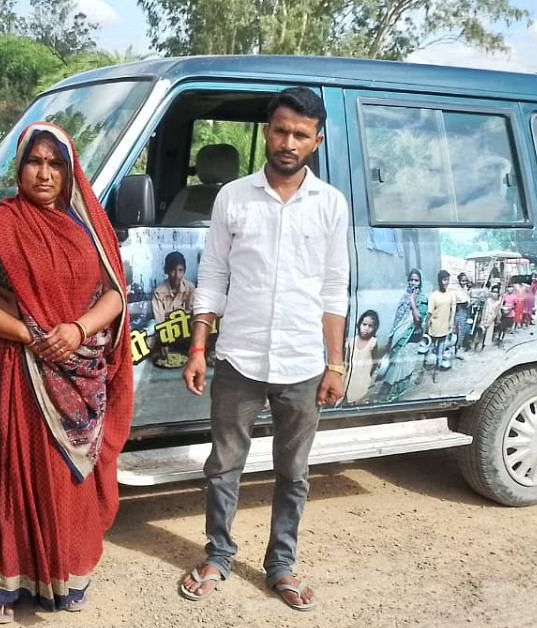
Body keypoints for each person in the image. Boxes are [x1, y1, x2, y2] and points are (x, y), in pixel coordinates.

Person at [177, 87, 349, 612]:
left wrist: (335, 361)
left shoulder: (330, 204)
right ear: (267, 131)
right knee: (223, 465)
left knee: (293, 474)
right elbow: (212, 276)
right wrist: (199, 347)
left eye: (300, 134)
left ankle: (282, 566)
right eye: (280, 130)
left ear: (316, 141)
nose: (288, 142)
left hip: (302, 362)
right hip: (239, 359)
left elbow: (334, 286)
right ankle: (218, 556)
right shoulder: (233, 196)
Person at [0, 122, 133, 624]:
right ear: (19, 166)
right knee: (15, 469)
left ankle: (64, 575)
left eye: (55, 163)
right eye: (34, 161)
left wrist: (77, 331)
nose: (44, 172)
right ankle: (6, 585)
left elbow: (114, 294)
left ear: (70, 169)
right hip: (16, 365)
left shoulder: (87, 228)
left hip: (75, 368)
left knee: (63, 476)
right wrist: (29, 334)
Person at [380, 269, 428, 401]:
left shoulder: (423, 298)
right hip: (398, 335)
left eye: (416, 280)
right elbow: (398, 317)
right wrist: (392, 335)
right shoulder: (404, 296)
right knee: (394, 362)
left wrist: (412, 302)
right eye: (411, 280)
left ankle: (397, 390)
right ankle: (387, 390)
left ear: (420, 282)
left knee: (403, 364)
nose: (413, 282)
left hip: (411, 337)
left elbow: (418, 320)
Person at [152, 250, 197, 360]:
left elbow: (193, 316)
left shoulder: (190, 288)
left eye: (180, 270)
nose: (177, 275)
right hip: (166, 335)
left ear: (184, 270)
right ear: (166, 271)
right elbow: (159, 322)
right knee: (149, 342)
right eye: (172, 270)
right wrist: (163, 341)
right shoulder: (159, 292)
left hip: (186, 334)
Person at [345, 310, 381, 404]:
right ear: (359, 324)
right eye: (364, 324)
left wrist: (368, 377)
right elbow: (347, 363)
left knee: (358, 404)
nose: (366, 328)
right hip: (350, 381)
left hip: (363, 382)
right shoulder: (351, 342)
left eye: (370, 326)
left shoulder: (373, 343)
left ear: (375, 328)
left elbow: (375, 362)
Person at [427, 270, 454, 381]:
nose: (446, 282)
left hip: (445, 327)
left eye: (447, 280)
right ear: (439, 281)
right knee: (431, 352)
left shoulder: (450, 295)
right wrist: (426, 328)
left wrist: (451, 324)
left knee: (440, 352)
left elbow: (452, 310)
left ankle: (436, 373)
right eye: (444, 280)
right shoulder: (434, 296)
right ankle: (424, 371)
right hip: (434, 328)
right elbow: (429, 313)